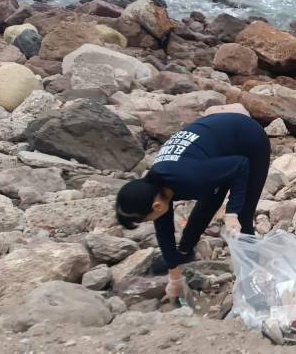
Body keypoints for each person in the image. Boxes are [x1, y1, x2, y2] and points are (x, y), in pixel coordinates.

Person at [115, 112, 270, 300]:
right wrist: (175, 277)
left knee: (243, 215)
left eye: (147, 219)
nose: (153, 220)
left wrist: (232, 212)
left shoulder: (190, 178)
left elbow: (240, 165)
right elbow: (163, 229)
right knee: (210, 195)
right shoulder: (156, 185)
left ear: (155, 207)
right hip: (215, 141)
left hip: (248, 139)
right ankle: (185, 251)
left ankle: (252, 273)